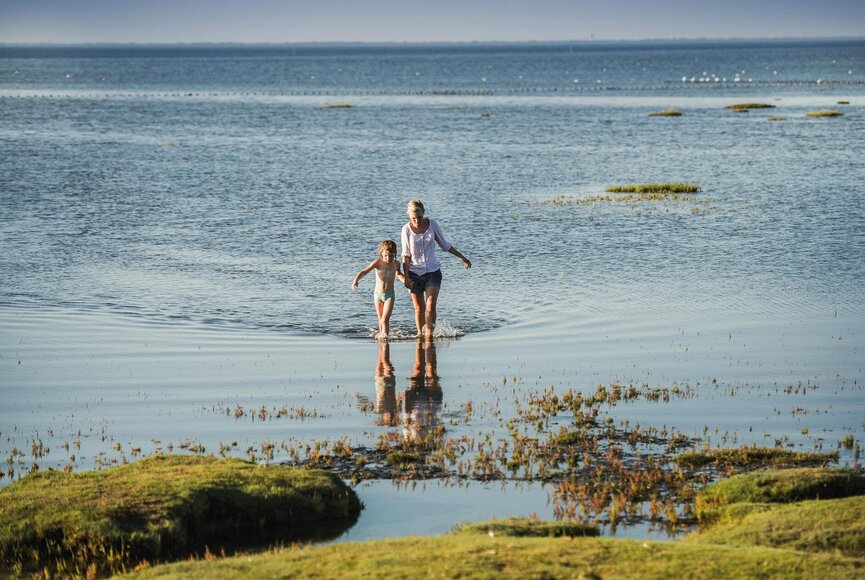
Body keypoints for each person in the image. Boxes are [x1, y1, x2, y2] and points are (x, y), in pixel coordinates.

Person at [401, 199, 471, 337]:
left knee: (430, 305)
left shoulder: (432, 224)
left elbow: (445, 245)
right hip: (414, 273)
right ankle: (420, 335)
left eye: (419, 217)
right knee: (419, 308)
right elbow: (406, 255)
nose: (417, 221)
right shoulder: (406, 229)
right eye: (414, 218)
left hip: (433, 272)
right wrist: (406, 277)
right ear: (409, 215)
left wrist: (462, 257)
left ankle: (429, 334)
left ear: (423, 213)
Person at [352, 239, 406, 340]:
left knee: (385, 319)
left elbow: (398, 274)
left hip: (390, 295)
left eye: (391, 256)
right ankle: (382, 337)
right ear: (381, 254)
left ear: (395, 254)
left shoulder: (396, 264)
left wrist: (406, 282)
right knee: (380, 319)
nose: (388, 258)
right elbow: (364, 271)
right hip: (377, 295)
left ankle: (385, 337)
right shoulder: (378, 263)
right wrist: (356, 280)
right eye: (386, 256)